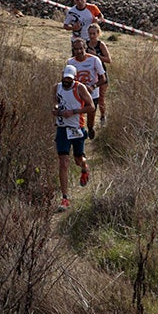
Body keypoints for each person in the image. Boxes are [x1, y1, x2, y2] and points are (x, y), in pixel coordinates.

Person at [54, 64, 93, 211]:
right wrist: (56, 110)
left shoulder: (80, 88)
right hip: (62, 129)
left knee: (78, 160)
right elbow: (56, 103)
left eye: (69, 79)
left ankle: (85, 167)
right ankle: (65, 198)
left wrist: (74, 111)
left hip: (77, 128)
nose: (66, 82)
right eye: (65, 78)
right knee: (63, 162)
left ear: (74, 78)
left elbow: (91, 107)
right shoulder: (56, 87)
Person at [66, 37, 106, 139]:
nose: (79, 51)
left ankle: (90, 127)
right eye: (76, 49)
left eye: (81, 49)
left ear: (85, 48)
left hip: (93, 93)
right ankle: (80, 136)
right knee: (78, 116)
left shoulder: (94, 60)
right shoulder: (70, 62)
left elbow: (103, 79)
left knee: (91, 116)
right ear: (73, 50)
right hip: (77, 94)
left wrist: (93, 86)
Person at [85, 22, 111, 125]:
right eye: (90, 33)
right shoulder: (85, 44)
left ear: (98, 34)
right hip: (89, 74)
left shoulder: (101, 45)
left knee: (101, 97)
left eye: (94, 34)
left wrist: (96, 56)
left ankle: (103, 116)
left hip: (101, 74)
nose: (91, 36)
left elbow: (109, 59)